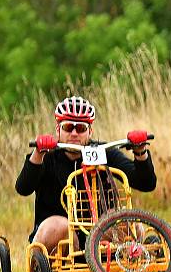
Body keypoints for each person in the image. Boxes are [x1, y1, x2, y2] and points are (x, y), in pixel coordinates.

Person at [15, 96, 157, 253]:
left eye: (81, 129)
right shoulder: (47, 156)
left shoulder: (103, 152)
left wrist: (140, 152)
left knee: (124, 221)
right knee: (60, 226)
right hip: (59, 238)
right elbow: (23, 188)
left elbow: (146, 183)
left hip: (100, 239)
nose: (74, 133)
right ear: (58, 130)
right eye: (68, 127)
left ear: (90, 131)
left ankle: (131, 267)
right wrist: (38, 153)